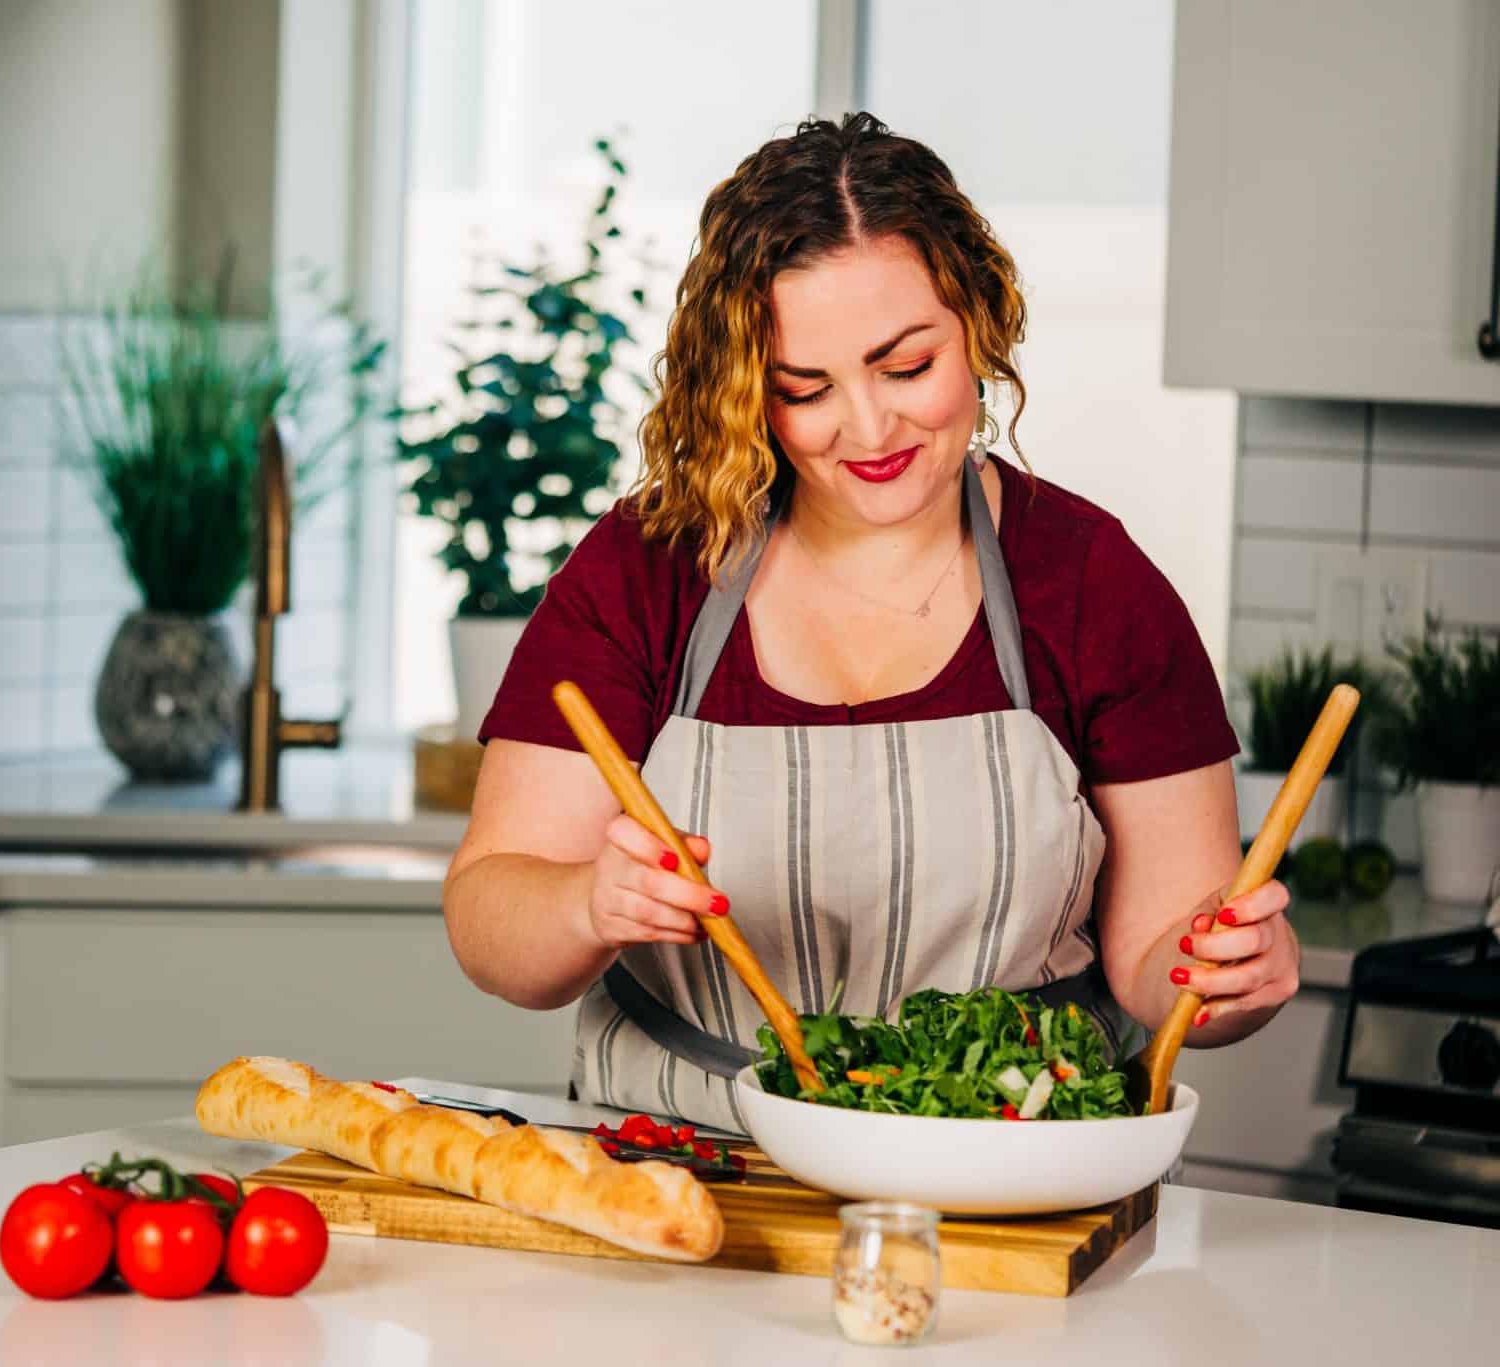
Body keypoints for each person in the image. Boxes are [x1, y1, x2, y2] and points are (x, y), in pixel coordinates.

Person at [440, 113, 1296, 1131]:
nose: (869, 427)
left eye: (903, 367)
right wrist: (586, 902)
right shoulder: (649, 564)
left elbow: (1160, 951)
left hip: (1002, 1168)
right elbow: (489, 915)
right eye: (805, 389)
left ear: (975, 322)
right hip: (681, 1166)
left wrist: (1216, 971)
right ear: (747, 391)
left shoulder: (1088, 579)